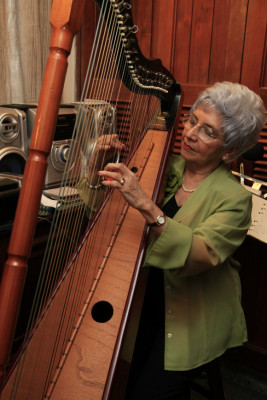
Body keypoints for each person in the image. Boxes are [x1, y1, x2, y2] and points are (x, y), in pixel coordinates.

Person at [78, 82, 266, 399]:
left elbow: (198, 255)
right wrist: (97, 168)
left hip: (188, 317)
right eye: (192, 121)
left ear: (230, 150)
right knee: (102, 378)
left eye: (209, 131)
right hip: (135, 299)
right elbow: (108, 218)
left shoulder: (233, 199)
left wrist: (148, 206)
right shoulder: (163, 165)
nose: (191, 133)